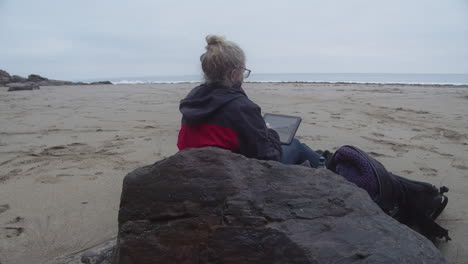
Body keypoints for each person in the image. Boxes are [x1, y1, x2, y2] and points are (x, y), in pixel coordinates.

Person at [177, 35, 321, 167]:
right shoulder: (241, 107)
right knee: (295, 145)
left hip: (197, 165)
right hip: (232, 174)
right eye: (243, 71)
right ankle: (328, 168)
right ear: (233, 75)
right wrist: (270, 133)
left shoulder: (194, 98)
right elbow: (270, 158)